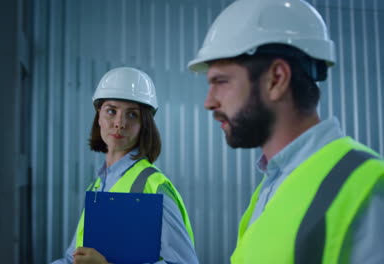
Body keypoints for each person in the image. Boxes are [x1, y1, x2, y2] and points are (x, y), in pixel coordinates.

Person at [187, 0, 384, 263]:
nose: (209, 102)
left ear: (277, 79)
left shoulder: (368, 185)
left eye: (221, 82)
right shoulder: (274, 183)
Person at [51, 67, 198, 264]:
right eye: (111, 111)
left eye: (132, 115)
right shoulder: (98, 186)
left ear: (144, 123)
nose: (119, 123)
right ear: (99, 116)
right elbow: (74, 258)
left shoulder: (152, 185)